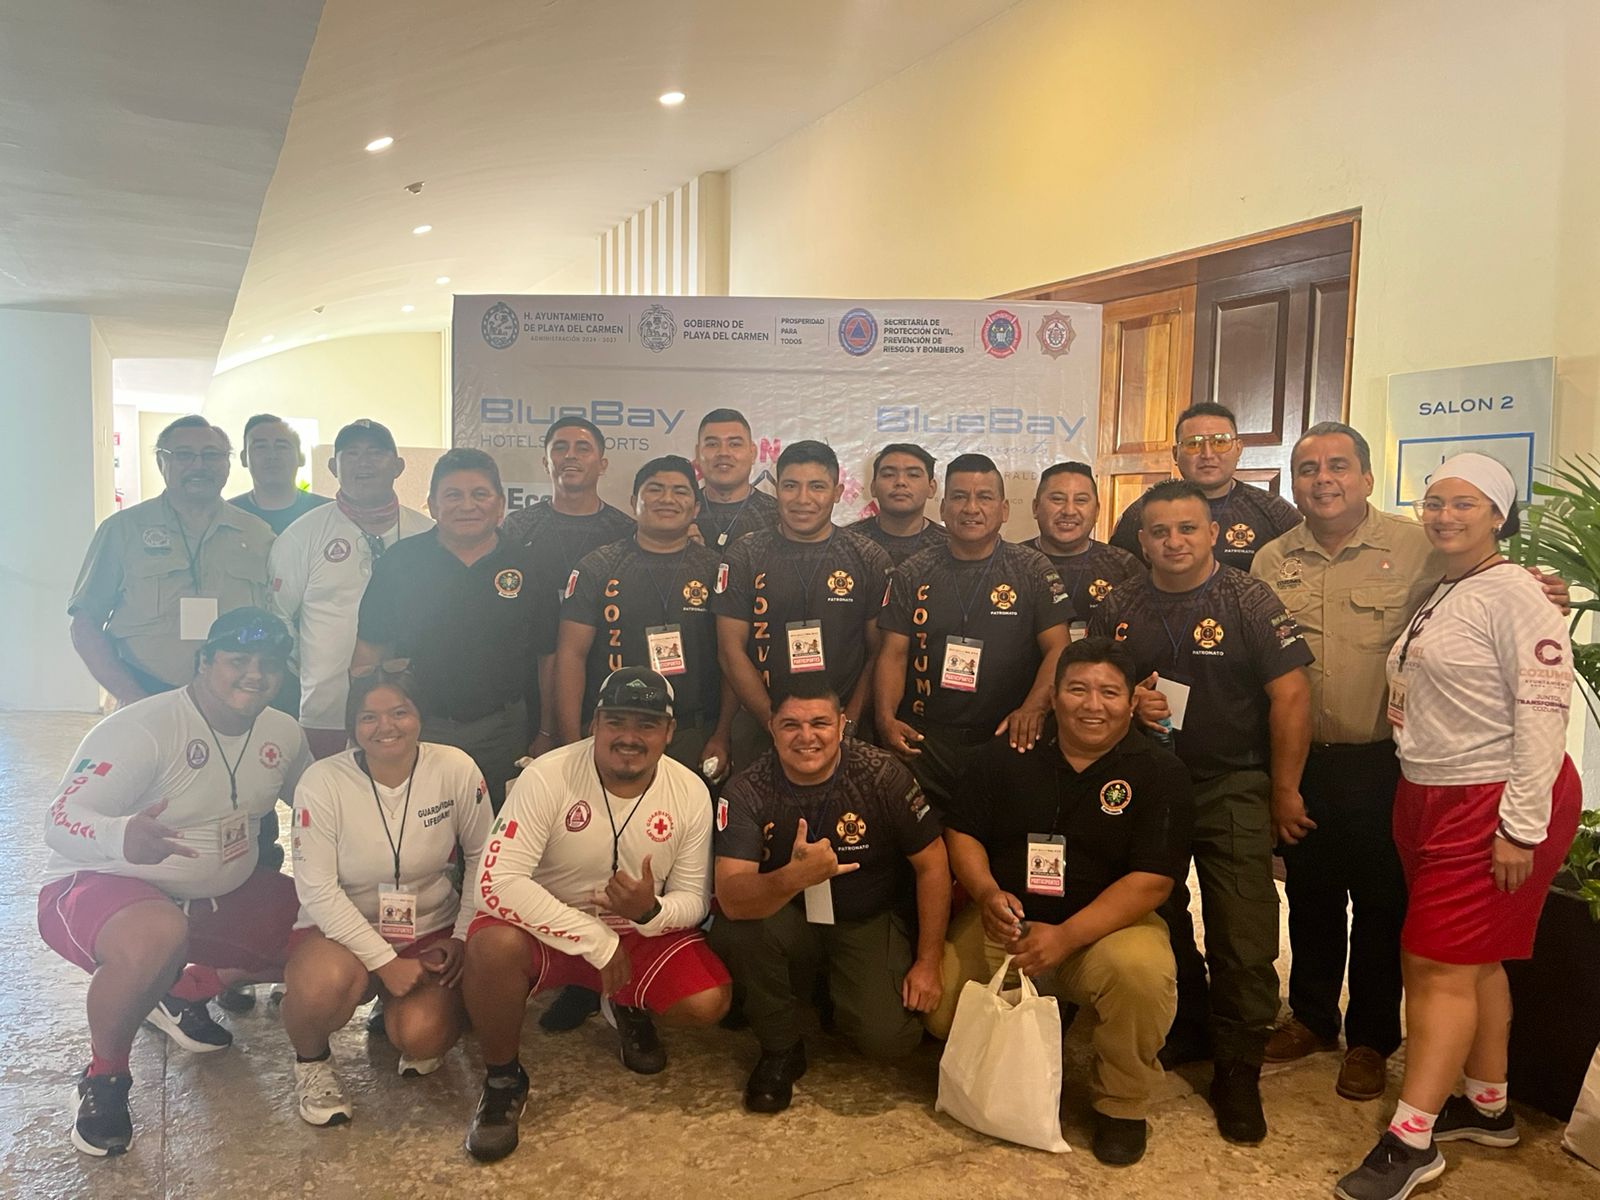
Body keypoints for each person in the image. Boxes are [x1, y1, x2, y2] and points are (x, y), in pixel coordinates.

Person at [1252, 423, 1572, 1105]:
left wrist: (1538, 590)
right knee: (1309, 895)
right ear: (1294, 483)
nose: (1323, 479)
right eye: (1307, 468)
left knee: (1383, 903)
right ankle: (1311, 1016)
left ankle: (1371, 1039)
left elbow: (1488, 584)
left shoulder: (1419, 545)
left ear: (1367, 478)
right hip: (1303, 760)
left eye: (1338, 465)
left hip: (1388, 762)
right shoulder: (1271, 560)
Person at [1334, 454, 1582, 1200]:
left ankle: (1411, 1142)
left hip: (1493, 797)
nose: (1444, 516)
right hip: (1429, 790)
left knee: (1435, 965)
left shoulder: (1516, 595)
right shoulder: (1449, 587)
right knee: (1473, 961)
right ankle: (1488, 1106)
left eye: (1464, 504)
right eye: (1435, 502)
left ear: (1498, 515)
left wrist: (1521, 827)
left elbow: (1545, 712)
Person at [1088, 478, 1313, 1145]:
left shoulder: (1249, 599)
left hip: (1231, 781)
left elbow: (1292, 694)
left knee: (1243, 923)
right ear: (1142, 540)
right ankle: (1188, 1022)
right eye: (1159, 531)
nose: (1174, 542)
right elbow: (1095, 687)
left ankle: (1238, 1065)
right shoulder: (1119, 604)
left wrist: (1285, 789)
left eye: (1188, 528)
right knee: (1158, 911)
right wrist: (1131, 701)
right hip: (1149, 783)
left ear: (1213, 533)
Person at [37, 608, 311, 1156]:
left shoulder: (282, 730)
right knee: (157, 935)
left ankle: (181, 989)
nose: (255, 674)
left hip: (216, 895)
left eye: (269, 663)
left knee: (326, 938)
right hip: (103, 886)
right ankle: (104, 1077)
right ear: (204, 662)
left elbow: (316, 803)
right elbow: (58, 820)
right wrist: (120, 835)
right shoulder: (142, 728)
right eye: (238, 660)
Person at [929, 638, 1193, 1166]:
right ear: (1053, 696)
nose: (1092, 705)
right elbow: (963, 831)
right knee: (939, 1012)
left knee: (1141, 976)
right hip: (1009, 924)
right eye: (1077, 689)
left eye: (1109, 693)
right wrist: (985, 892)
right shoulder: (1008, 752)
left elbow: (1152, 882)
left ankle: (1121, 1104)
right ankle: (1021, 1051)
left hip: (1105, 930)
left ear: (1131, 702)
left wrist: (1067, 937)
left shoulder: (1160, 772)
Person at [459, 668, 730, 1162]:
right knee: (490, 947)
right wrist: (595, 939)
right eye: (616, 721)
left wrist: (650, 910)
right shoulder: (547, 776)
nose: (629, 737)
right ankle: (502, 1079)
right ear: (594, 724)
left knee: (708, 1001)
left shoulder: (691, 790)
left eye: (647, 724)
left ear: (670, 731)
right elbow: (494, 884)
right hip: (550, 924)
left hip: (637, 929)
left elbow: (694, 898)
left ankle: (623, 1002)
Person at [710, 676, 949, 1113]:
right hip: (790, 917)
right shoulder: (746, 790)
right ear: (771, 727)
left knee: (889, 1040)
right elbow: (731, 896)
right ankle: (780, 1049)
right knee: (737, 928)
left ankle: (834, 992)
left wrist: (929, 961)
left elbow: (932, 864)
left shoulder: (883, 775)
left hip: (866, 916)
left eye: (819, 723)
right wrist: (793, 877)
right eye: (791, 725)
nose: (806, 737)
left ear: (841, 724)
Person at [281, 667, 491, 1126]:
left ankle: (399, 1008)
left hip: (429, 927)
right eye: (368, 717)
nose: (386, 727)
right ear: (352, 726)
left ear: (420, 716)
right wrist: (385, 962)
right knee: (324, 985)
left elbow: (482, 856)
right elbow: (317, 888)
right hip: (339, 934)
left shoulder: (455, 767)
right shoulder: (322, 781)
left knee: (422, 1036)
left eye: (399, 712)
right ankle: (312, 1062)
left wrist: (460, 936)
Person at [354, 449, 557, 811]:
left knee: (498, 829)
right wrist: (365, 725)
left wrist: (546, 731)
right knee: (419, 827)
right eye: (453, 495)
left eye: (480, 494)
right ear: (432, 504)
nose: (467, 505)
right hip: (417, 727)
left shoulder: (530, 565)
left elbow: (548, 657)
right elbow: (369, 652)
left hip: (503, 730)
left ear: (500, 505)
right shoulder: (400, 562)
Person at [876, 452, 1072, 808]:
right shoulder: (912, 572)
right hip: (926, 743)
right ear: (943, 507)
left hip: (1004, 737)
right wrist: (886, 718)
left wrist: (1033, 709)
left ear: (1004, 509)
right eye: (959, 496)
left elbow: (1059, 648)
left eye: (984, 497)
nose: (971, 508)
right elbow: (894, 653)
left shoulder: (1032, 569)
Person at [69, 414, 274, 703]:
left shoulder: (258, 534)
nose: (199, 465)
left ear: (227, 464)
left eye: (211, 455)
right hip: (146, 693)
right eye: (184, 455)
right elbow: (85, 623)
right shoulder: (123, 530)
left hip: (237, 702)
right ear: (161, 462)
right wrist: (134, 699)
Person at [713, 439, 892, 763]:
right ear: (776, 490)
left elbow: (879, 652)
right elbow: (730, 651)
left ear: (837, 492)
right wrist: (774, 722)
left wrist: (847, 725)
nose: (802, 499)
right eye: (791, 486)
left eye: (817, 487)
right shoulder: (745, 555)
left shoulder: (867, 558)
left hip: (844, 731)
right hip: (760, 727)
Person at [553, 455, 733, 776]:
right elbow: (570, 655)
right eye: (655, 489)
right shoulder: (598, 567)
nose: (667, 499)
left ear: (695, 508)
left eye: (680, 491)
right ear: (634, 501)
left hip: (693, 732)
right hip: (613, 731)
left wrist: (722, 734)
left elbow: (732, 656)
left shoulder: (715, 569)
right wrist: (570, 743)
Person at [268, 419, 432, 759]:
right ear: (333, 466)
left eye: (376, 453)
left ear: (399, 466)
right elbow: (278, 618)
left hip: (415, 706)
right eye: (352, 453)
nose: (364, 462)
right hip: (328, 711)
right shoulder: (302, 535)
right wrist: (311, 669)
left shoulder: (427, 533)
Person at [501, 415, 637, 756]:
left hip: (603, 680)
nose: (571, 455)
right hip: (527, 686)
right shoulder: (518, 528)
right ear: (546, 461)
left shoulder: (625, 531)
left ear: (602, 463)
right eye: (560, 447)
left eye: (583, 448)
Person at [1109, 402, 1301, 571]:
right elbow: (1117, 575)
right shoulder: (1143, 513)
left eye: (1220, 442)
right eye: (1193, 444)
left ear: (1238, 448)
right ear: (1176, 453)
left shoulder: (1274, 512)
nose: (1207, 454)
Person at [1027, 461, 1145, 641]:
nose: (1069, 511)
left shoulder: (1124, 566)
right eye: (1057, 499)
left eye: (1081, 500)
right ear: (1036, 507)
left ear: (1097, 511)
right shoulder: (1014, 563)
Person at [846, 443, 949, 564]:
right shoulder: (847, 541)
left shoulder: (951, 545)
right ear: (873, 487)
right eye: (889, 474)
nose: (900, 482)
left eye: (913, 475)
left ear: (931, 488)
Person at [691, 408, 780, 549]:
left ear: (753, 453)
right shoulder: (681, 513)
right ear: (697, 453)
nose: (723, 453)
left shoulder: (779, 515)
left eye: (734, 444)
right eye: (712, 444)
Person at [227, 413, 330, 535]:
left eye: (282, 447)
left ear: (301, 458)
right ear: (244, 458)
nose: (272, 456)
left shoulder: (329, 514)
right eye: (261, 447)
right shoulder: (226, 516)